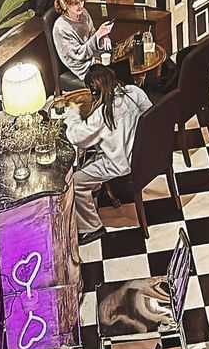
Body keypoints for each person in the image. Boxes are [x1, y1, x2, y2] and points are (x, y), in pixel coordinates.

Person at [63, 65, 152, 244]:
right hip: (141, 154)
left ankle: (91, 228)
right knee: (90, 162)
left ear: (94, 90)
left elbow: (78, 137)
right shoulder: (134, 92)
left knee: (76, 181)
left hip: (120, 163)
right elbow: (150, 114)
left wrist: (72, 113)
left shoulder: (104, 114)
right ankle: (95, 192)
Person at [52, 0, 114, 80]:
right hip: (81, 65)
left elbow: (92, 33)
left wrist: (104, 36)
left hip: (93, 55)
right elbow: (79, 54)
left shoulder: (83, 13)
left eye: (81, 1)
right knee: (114, 73)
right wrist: (98, 34)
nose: (80, 6)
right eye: (76, 3)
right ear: (64, 4)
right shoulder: (61, 28)